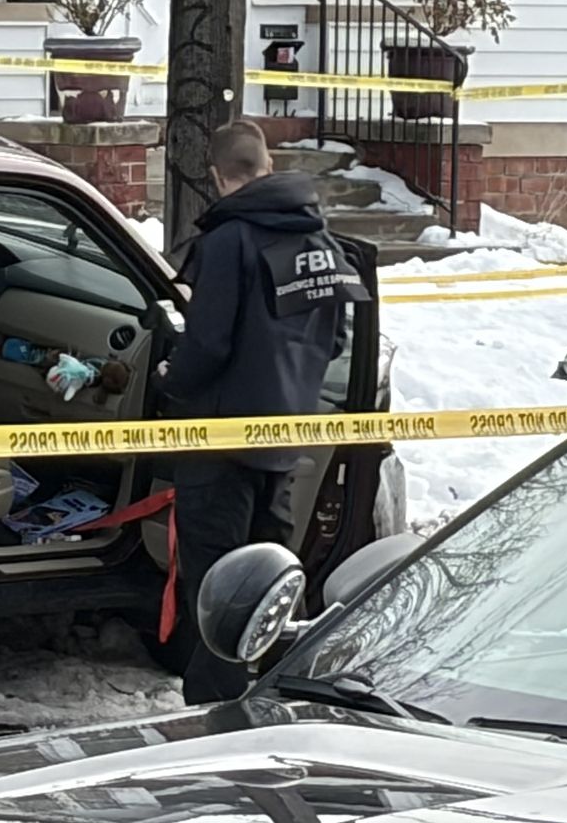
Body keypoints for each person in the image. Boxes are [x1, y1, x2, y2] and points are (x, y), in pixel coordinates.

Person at [155, 119, 366, 705]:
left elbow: (209, 345)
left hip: (218, 441)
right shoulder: (323, 242)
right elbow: (338, 341)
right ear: (267, 166)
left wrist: (172, 381)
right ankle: (273, 693)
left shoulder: (227, 242)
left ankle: (211, 710)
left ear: (220, 177)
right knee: (272, 578)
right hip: (285, 438)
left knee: (218, 586)